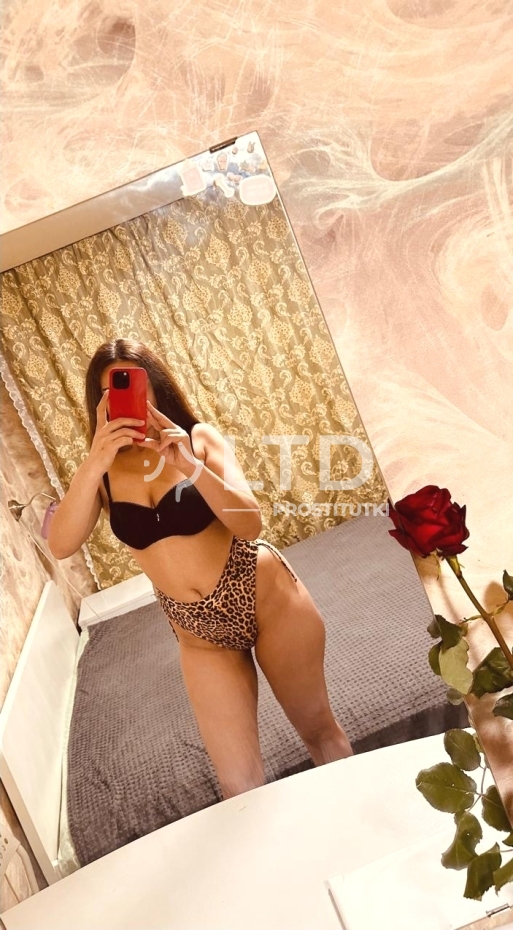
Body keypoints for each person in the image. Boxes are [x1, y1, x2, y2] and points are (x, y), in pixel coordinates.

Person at [48, 339, 353, 799]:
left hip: (265, 595)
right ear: (101, 402)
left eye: (136, 384)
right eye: (113, 390)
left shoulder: (199, 439)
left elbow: (249, 524)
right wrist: (93, 463)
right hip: (199, 634)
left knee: (319, 733)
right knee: (238, 785)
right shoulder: (101, 473)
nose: (130, 399)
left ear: (156, 386)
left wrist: (189, 467)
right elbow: (60, 545)